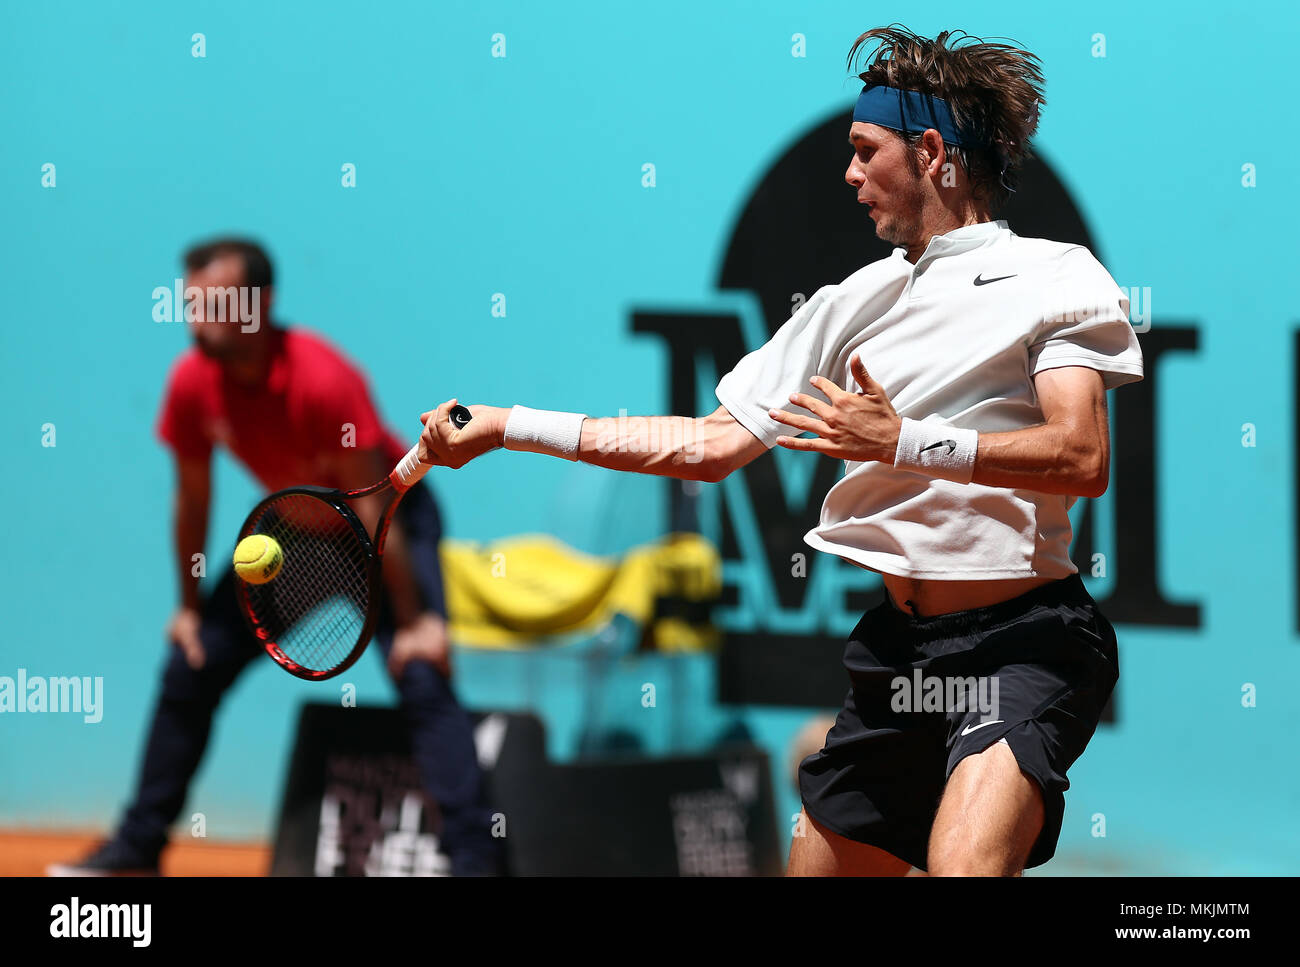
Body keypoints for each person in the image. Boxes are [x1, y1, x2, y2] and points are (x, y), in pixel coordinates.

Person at [414, 27, 1143, 876]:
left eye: (866, 152)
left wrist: (902, 440)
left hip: (1026, 644)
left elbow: (1080, 455)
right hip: (901, 656)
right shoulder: (852, 302)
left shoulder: (1057, 276)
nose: (850, 175)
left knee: (964, 866)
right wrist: (509, 424)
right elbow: (710, 445)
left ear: (933, 153)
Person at [50, 239, 501, 876]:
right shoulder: (191, 383)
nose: (195, 317)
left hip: (387, 527)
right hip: (294, 541)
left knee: (421, 672)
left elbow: (375, 509)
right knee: (191, 664)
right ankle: (138, 850)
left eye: (214, 303)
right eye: (190, 303)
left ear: (259, 305)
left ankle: (477, 861)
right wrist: (185, 608)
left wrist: (415, 621)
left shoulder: (324, 380)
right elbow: (193, 498)